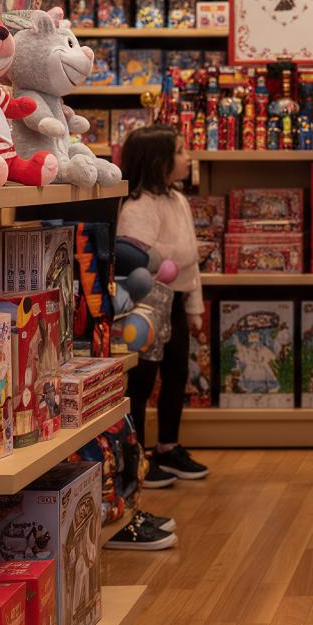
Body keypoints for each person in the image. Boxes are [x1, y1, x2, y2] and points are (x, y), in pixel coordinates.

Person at [119, 124, 209, 493]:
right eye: (181, 150)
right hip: (146, 307)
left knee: (176, 375)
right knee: (140, 381)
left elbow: (189, 267)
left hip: (175, 301)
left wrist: (194, 306)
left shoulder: (178, 199)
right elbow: (139, 261)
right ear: (159, 160)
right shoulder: (138, 206)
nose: (188, 157)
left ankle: (168, 445)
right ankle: (135, 453)